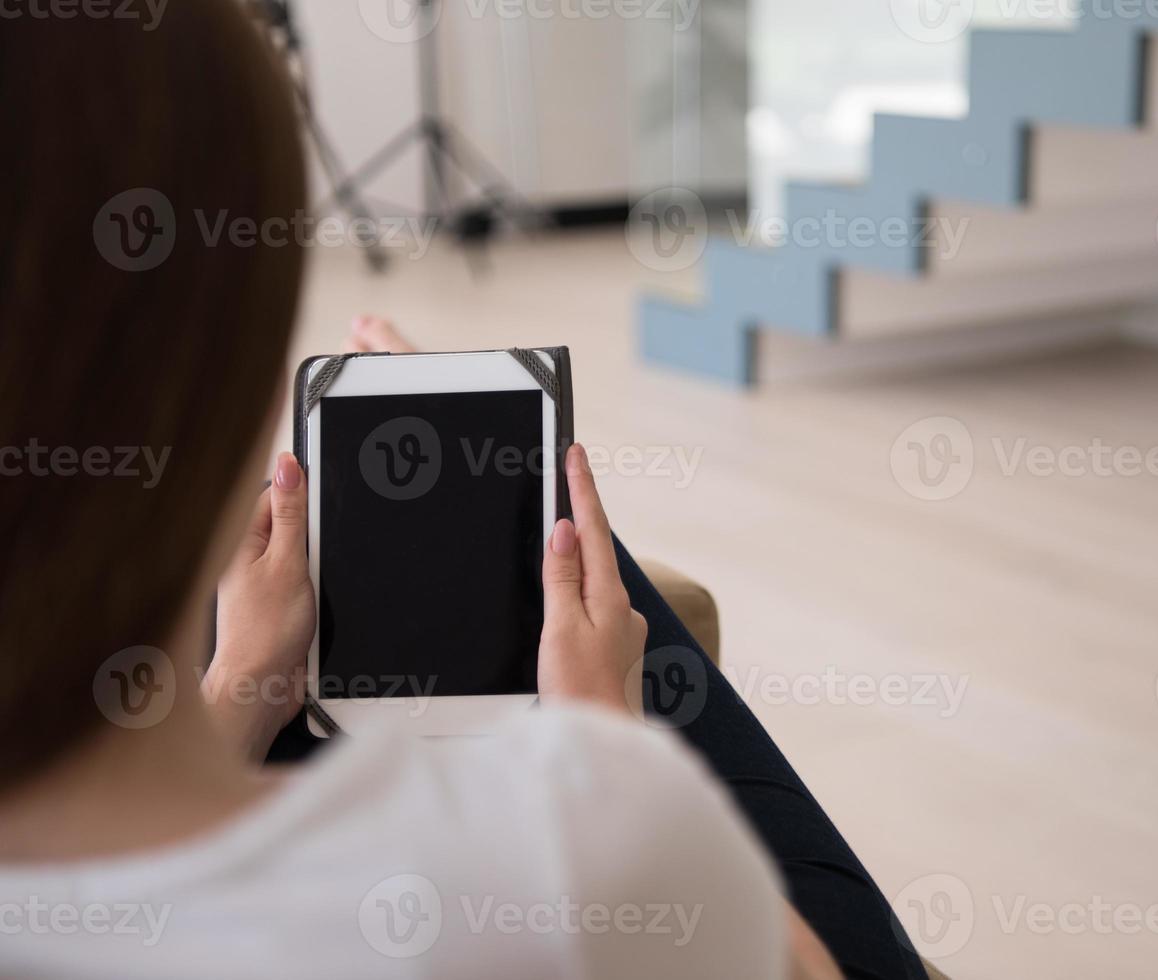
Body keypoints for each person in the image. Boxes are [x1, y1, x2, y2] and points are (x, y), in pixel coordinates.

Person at [0, 4, 927, 979]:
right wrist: (602, 756)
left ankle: (484, 445)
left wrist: (239, 689)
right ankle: (494, 451)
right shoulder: (585, 852)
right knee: (559, 528)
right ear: (237, 368)